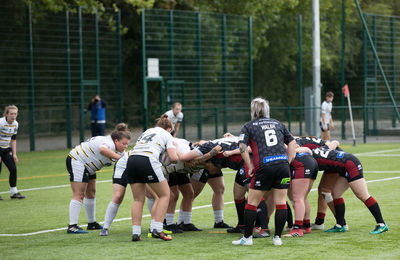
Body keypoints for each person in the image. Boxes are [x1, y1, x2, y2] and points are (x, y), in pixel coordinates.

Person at [232, 97, 296, 246]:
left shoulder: (249, 126)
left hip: (264, 166)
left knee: (252, 203)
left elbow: (242, 147)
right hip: (282, 165)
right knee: (281, 202)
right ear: (267, 110)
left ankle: (247, 239)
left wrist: (250, 165)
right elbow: (292, 142)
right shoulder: (278, 123)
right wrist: (288, 161)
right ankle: (277, 238)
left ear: (252, 111)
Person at [66, 123, 130, 234]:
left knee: (91, 193)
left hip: (88, 166)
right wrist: (119, 157)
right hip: (77, 161)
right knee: (79, 194)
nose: (125, 147)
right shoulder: (108, 143)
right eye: (123, 144)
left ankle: (91, 223)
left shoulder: (120, 150)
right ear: (116, 141)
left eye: (127, 144)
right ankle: (72, 226)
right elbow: (102, 150)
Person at [311, 147, 388, 234]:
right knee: (335, 194)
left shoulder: (306, 158)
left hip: (350, 164)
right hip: (343, 166)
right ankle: (340, 225)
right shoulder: (308, 153)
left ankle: (382, 224)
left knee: (362, 195)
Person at [127, 114, 179, 241]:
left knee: (138, 199)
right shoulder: (167, 135)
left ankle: (136, 233)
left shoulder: (148, 131)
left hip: (132, 159)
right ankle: (157, 229)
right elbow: (173, 158)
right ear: (169, 129)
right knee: (165, 195)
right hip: (148, 159)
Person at [283, 146, 318, 237]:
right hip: (310, 161)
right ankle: (306, 226)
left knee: (297, 198)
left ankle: (297, 229)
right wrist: (306, 149)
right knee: (303, 197)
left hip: (301, 163)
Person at [0, 105, 25, 200]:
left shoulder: (15, 124)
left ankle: (14, 192)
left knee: (13, 169)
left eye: (15, 114)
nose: (13, 116)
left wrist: (14, 154)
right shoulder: (1, 123)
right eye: (11, 114)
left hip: (6, 150)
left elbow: (13, 140)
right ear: (6, 114)